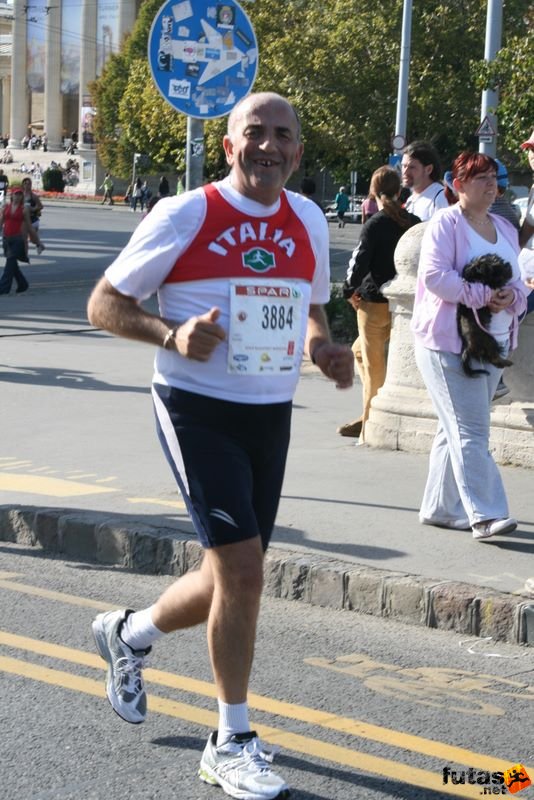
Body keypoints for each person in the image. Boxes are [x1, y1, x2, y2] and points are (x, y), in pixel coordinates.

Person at [87, 91, 353, 800]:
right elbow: (103, 304)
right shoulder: (186, 213)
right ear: (231, 145)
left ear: (299, 150)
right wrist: (169, 334)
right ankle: (230, 740)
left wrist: (325, 348)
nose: (269, 146)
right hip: (195, 409)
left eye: (283, 135)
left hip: (270, 414)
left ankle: (130, 632)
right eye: (255, 134)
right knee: (243, 574)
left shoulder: (309, 218)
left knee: (230, 571)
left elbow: (311, 305)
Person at [411, 151, 528, 540]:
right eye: (481, 178)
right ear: (457, 185)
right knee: (471, 430)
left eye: (494, 178)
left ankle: (440, 508)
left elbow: (518, 282)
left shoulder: (503, 227)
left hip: (494, 343)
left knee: (456, 428)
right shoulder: (446, 223)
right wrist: (481, 295)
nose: (491, 185)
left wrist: (512, 299)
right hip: (448, 343)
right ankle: (486, 514)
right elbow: (434, 277)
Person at [337, 166, 420, 439]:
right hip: (405, 305)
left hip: (372, 303)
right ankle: (369, 412)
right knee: (358, 351)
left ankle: (371, 426)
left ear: (373, 192)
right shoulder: (414, 222)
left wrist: (350, 290)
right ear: (400, 191)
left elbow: (359, 261)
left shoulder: (375, 223)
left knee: (373, 367)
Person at [0, 189, 39, 295]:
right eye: (16, 194)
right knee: (12, 264)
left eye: (20, 195)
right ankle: (23, 284)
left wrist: (38, 242)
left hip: (18, 239)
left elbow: (30, 227)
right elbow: (1, 221)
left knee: (9, 263)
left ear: (22, 197)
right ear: (11, 195)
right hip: (7, 238)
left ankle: (3, 288)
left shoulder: (24, 209)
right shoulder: (5, 207)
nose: (17, 196)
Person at [401, 141, 448, 221]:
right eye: (404, 166)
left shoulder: (441, 198)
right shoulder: (410, 200)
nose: (405, 172)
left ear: (428, 169)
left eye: (412, 167)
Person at [21, 176, 45, 254]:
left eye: (29, 184)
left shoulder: (33, 196)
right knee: (24, 238)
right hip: (23, 220)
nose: (27, 185)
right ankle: (24, 254)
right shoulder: (20, 196)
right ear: (23, 185)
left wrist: (32, 209)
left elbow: (41, 206)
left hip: (33, 220)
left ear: (31, 185)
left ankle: (39, 244)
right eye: (25, 184)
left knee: (32, 239)